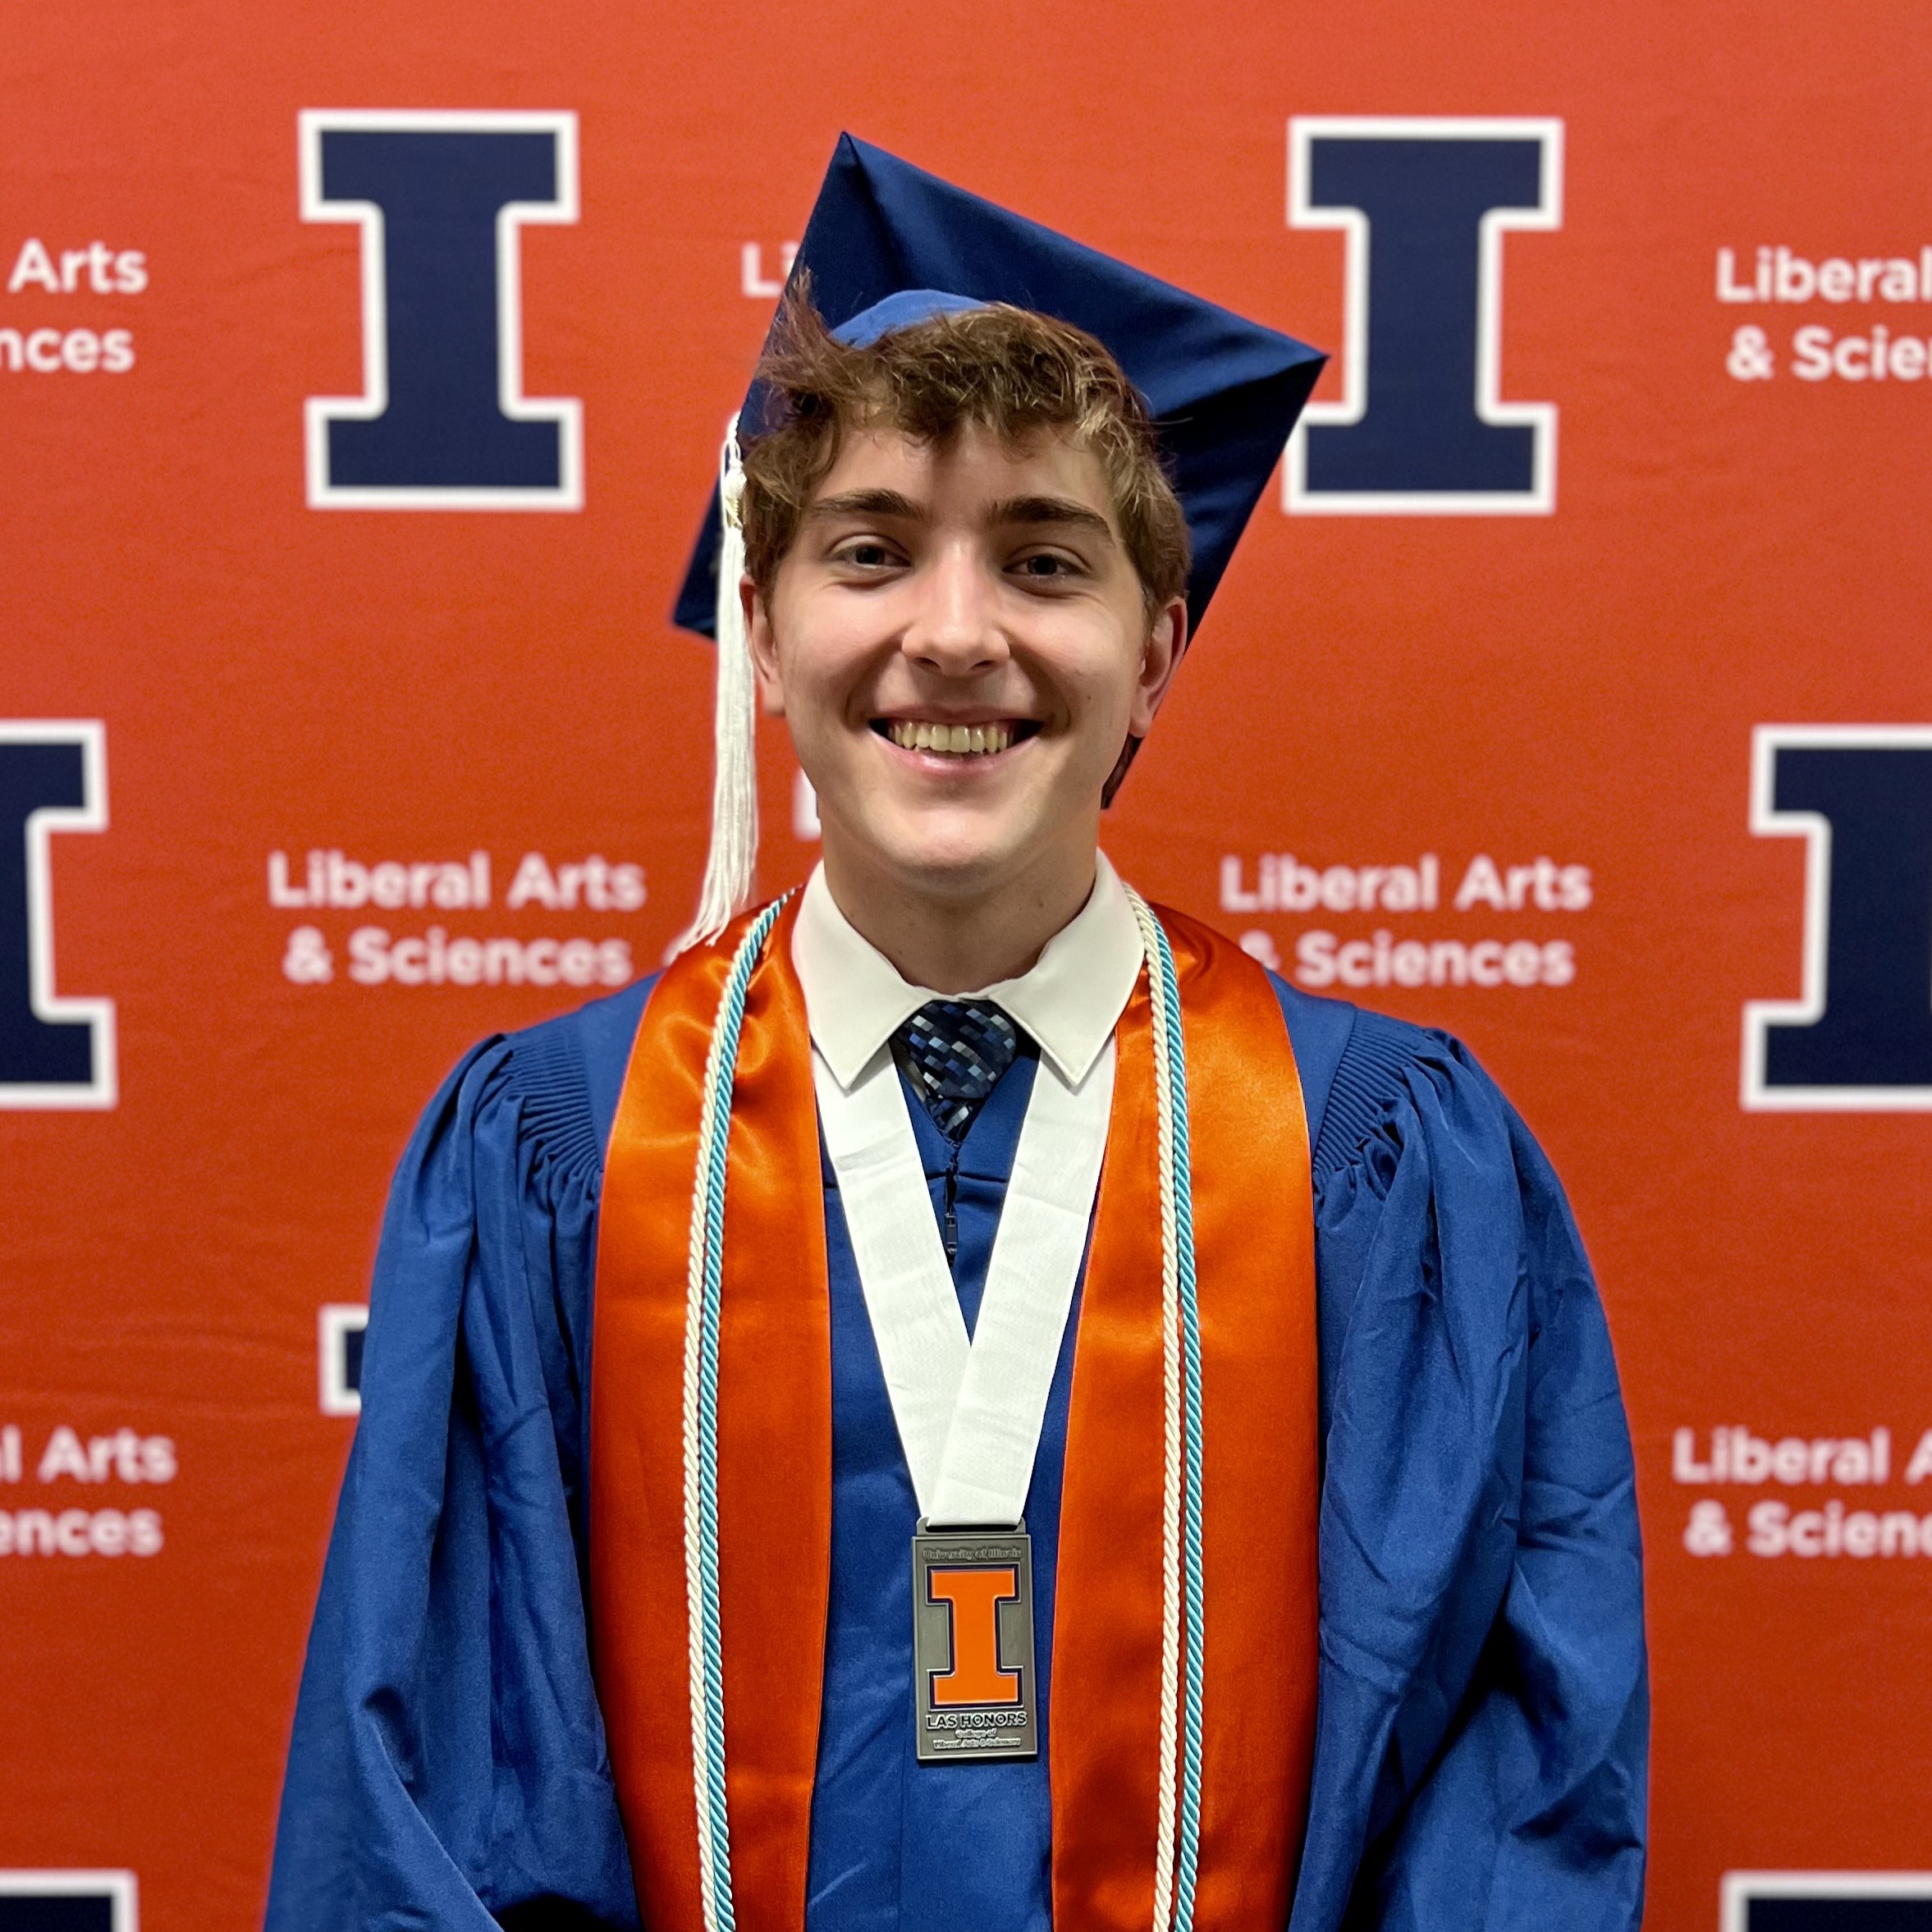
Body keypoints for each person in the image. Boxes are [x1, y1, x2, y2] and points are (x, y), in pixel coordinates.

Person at [268, 135, 1646, 1932]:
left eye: (1043, 561)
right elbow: (430, 1784)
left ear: (1156, 648)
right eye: (867, 550)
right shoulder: (558, 1149)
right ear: (762, 629)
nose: (952, 632)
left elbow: (1503, 1784)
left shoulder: (1371, 1154)